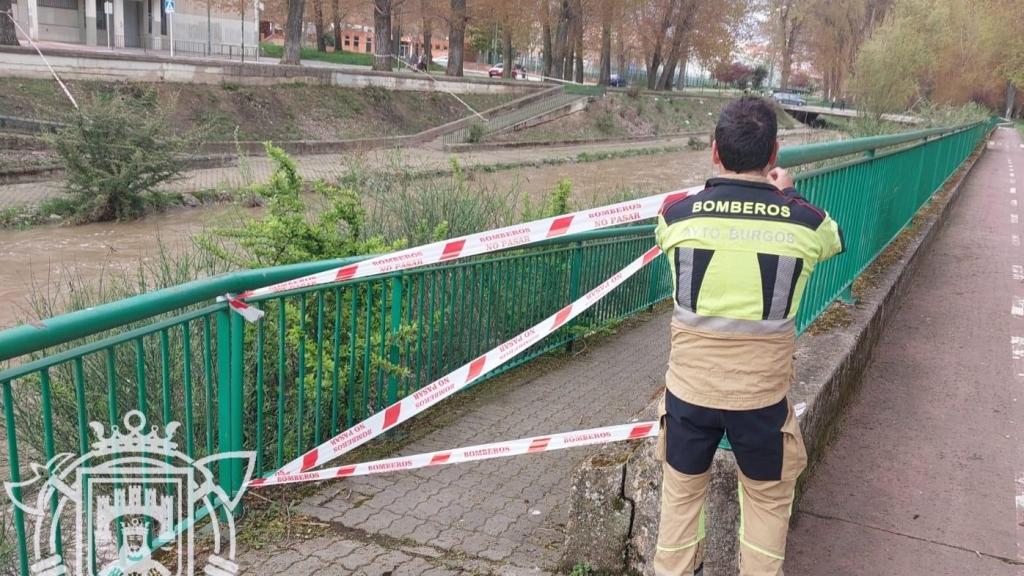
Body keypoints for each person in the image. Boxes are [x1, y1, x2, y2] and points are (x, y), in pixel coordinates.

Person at [653, 96, 844, 576]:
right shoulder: (805, 222)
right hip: (761, 401)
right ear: (774, 153)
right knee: (766, 507)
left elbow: (670, 230)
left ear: (715, 151)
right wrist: (787, 194)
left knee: (679, 502)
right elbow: (834, 240)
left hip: (689, 395)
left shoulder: (676, 216)